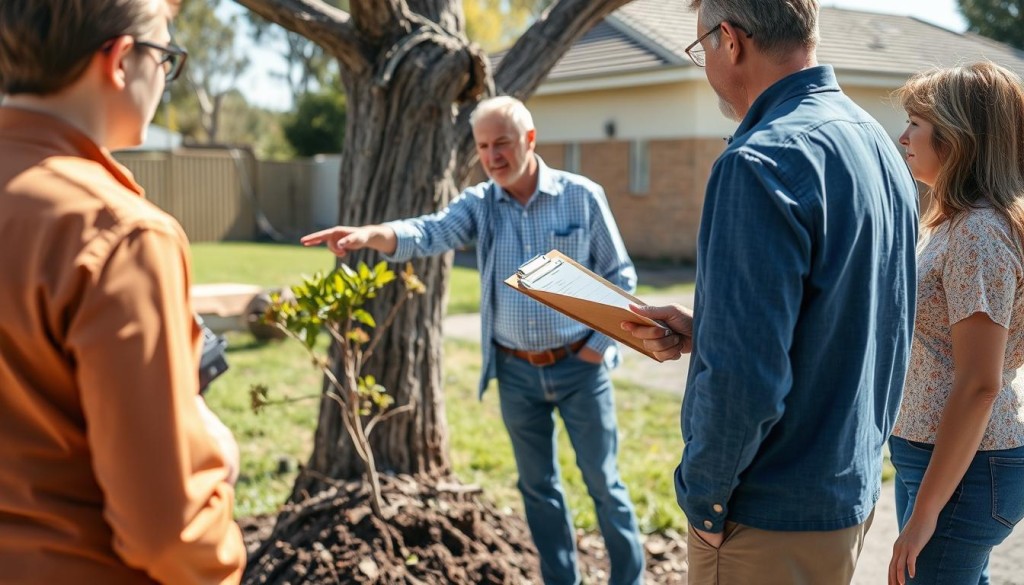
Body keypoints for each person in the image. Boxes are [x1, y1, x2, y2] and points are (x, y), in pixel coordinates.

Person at [622, 0, 919, 583]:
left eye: (701, 47)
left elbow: (745, 377)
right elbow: (862, 318)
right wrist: (708, 329)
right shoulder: (879, 145)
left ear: (729, 41)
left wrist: (705, 499)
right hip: (844, 494)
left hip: (764, 518)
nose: (704, 62)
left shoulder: (758, 161)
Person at [301, 96, 645, 585]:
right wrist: (372, 234)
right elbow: (429, 232)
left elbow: (620, 275)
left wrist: (598, 349)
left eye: (501, 143)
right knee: (538, 489)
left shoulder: (582, 196)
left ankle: (629, 580)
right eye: (483, 147)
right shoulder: (480, 204)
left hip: (580, 368)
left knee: (603, 484)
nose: (492, 156)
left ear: (529, 140)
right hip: (516, 374)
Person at [0, 1, 246, 583]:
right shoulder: (120, 232)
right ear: (121, 60)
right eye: (167, 58)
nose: (165, 78)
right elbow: (166, 533)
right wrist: (216, 460)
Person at [886, 62, 1024, 585]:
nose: (903, 136)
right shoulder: (960, 222)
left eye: (916, 122)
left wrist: (924, 516)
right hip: (944, 460)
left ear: (959, 135)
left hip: (966, 469)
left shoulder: (979, 233)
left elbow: (980, 384)